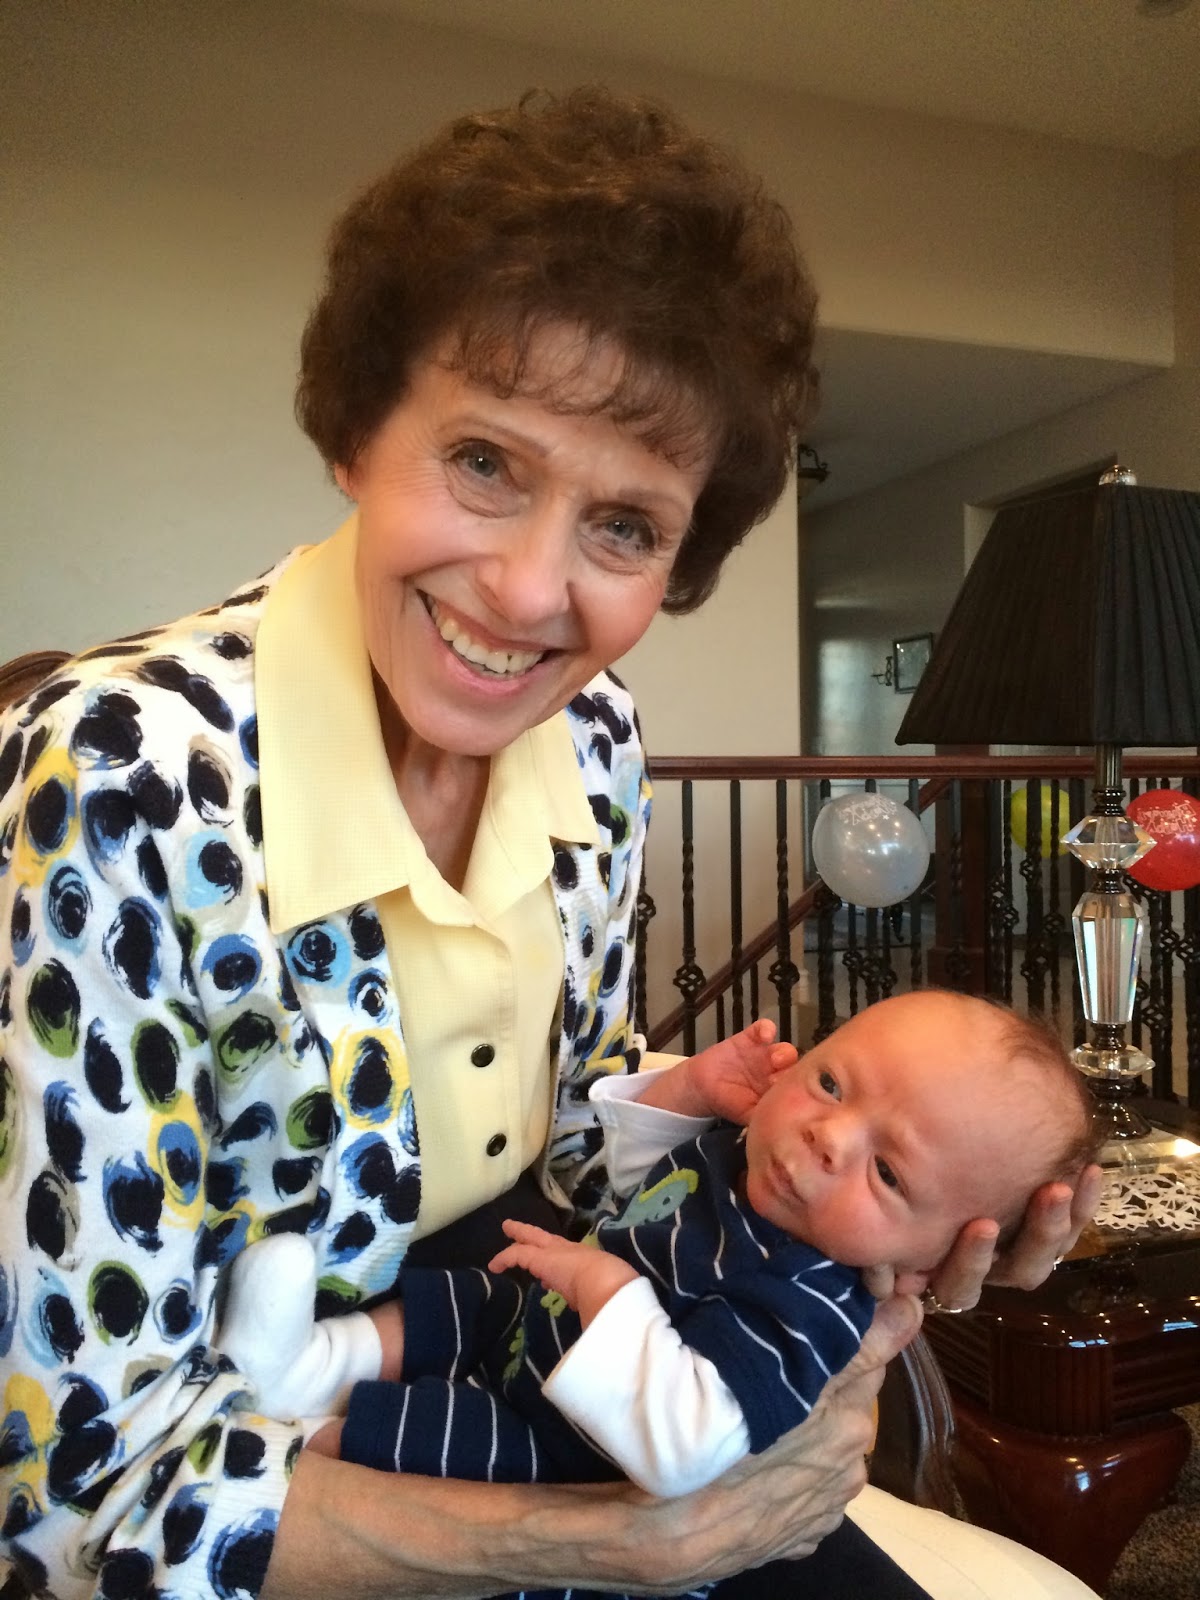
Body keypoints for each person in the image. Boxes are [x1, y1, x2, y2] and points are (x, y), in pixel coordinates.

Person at [0, 86, 1102, 1600]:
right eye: (484, 462)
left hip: (542, 1352)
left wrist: (867, 1214)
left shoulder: (593, 738)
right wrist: (611, 1543)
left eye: (625, 528)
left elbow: (571, 1147)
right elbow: (65, 1500)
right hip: (275, 1468)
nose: (529, 594)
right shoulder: (119, 774)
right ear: (357, 430)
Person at [216, 993, 1098, 1532]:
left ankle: (291, 1439)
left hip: (568, 1449)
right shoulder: (744, 1160)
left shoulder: (808, 1306)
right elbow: (633, 1189)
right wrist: (683, 1094)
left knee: (431, 1447)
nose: (828, 1136)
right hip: (537, 1323)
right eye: (831, 1083)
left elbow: (686, 1444)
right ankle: (305, 1362)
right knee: (458, 1302)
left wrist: (611, 1293)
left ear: (941, 1256)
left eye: (890, 1172)